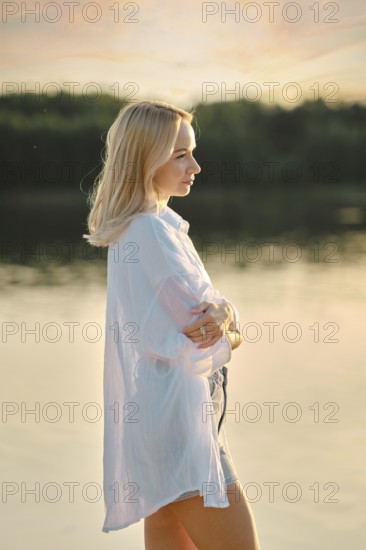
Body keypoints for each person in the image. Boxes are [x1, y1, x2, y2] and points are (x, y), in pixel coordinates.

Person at [83, 99, 261, 549]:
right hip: (182, 437)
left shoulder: (148, 226)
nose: (195, 166)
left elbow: (208, 321)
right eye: (181, 154)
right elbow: (205, 335)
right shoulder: (149, 233)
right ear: (145, 158)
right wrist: (229, 320)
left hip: (161, 433)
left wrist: (223, 315)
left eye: (192, 151)